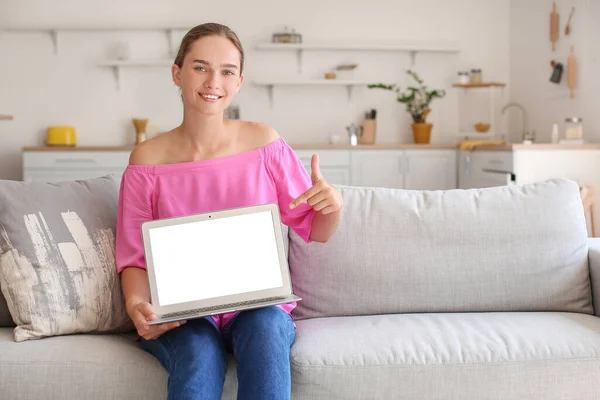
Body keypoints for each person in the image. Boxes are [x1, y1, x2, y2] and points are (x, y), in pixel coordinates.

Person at [115, 22, 343, 400]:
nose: (213, 82)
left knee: (266, 329)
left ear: (238, 82)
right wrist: (137, 306)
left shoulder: (265, 144)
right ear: (177, 73)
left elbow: (317, 229)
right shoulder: (146, 161)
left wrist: (332, 205)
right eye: (200, 67)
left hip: (259, 309)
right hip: (185, 314)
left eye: (227, 71)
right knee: (198, 353)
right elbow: (134, 258)